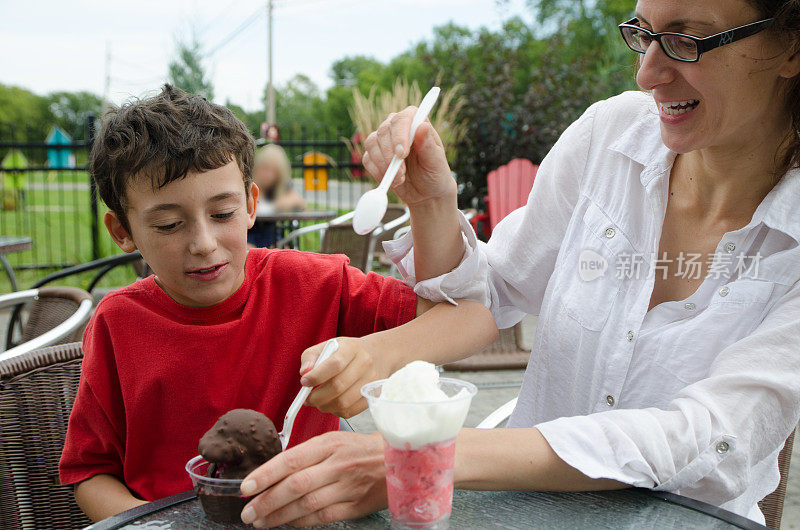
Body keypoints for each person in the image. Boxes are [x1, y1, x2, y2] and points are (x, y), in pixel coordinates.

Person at [236, 0, 800, 527]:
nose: (647, 73)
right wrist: (432, 205)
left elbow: (708, 437)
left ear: (791, 47)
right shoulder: (610, 139)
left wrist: (424, 455)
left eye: (687, 40)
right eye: (644, 34)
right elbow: (495, 291)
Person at [57, 85, 498, 522]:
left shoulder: (315, 285)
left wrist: (378, 351)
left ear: (251, 204)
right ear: (123, 232)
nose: (203, 244)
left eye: (223, 214)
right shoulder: (118, 323)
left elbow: (473, 321)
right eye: (169, 224)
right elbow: (90, 471)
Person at [247, 144, 306, 248]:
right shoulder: (249, 185)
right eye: (265, 169)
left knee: (285, 252)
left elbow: (299, 202)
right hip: (249, 236)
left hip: (271, 237)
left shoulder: (279, 188)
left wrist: (272, 206)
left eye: (273, 171)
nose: (267, 175)